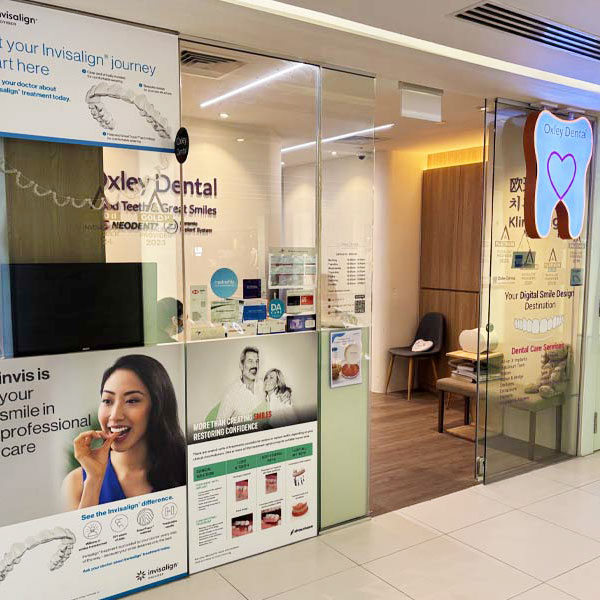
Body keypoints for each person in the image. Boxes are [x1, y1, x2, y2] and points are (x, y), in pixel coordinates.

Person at [62, 354, 186, 509]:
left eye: (132, 401)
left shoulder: (185, 468)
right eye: (107, 401)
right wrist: (94, 481)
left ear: (157, 407)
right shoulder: (75, 483)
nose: (115, 415)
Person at [216, 346, 263, 421]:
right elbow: (219, 425)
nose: (255, 365)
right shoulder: (231, 394)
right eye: (250, 361)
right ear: (241, 366)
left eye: (257, 361)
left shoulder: (263, 385)